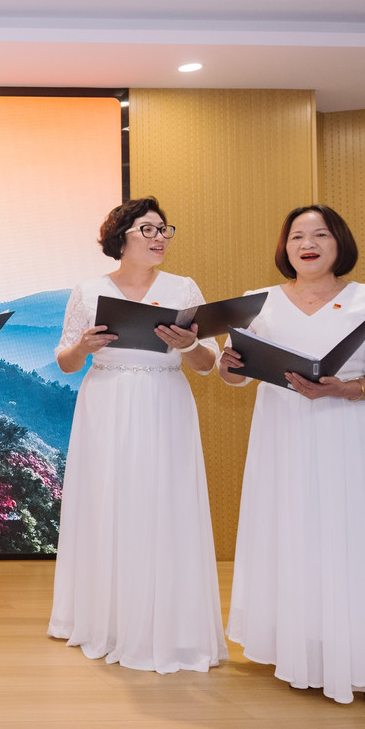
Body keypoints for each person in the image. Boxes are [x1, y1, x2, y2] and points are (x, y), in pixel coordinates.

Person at [219, 204, 365, 722]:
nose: (308, 243)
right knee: (295, 536)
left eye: (320, 234)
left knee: (357, 540)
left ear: (339, 242)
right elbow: (234, 377)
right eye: (297, 236)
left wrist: (345, 389)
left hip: (351, 434)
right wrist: (229, 365)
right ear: (285, 247)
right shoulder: (260, 303)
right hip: (283, 437)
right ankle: (304, 653)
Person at [49, 197, 227, 673]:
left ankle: (168, 620)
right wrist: (83, 346)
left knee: (164, 501)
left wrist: (190, 343)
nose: (159, 238)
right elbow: (65, 362)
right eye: (148, 229)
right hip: (106, 400)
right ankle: (106, 619)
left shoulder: (183, 288)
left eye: (164, 229)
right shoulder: (88, 291)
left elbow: (207, 363)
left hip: (165, 398)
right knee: (108, 500)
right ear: (121, 237)